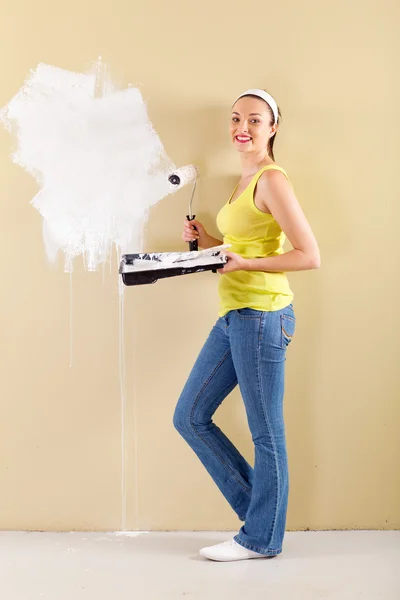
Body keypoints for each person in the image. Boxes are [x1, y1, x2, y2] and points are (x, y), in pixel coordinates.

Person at [173, 88, 320, 562]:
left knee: (266, 433)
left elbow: (309, 256)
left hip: (261, 317)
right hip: (234, 316)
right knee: (190, 416)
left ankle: (261, 537)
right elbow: (245, 248)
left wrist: (242, 267)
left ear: (273, 127)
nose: (243, 127)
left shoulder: (273, 179)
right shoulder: (245, 178)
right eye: (237, 118)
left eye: (255, 120)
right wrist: (209, 240)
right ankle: (263, 515)